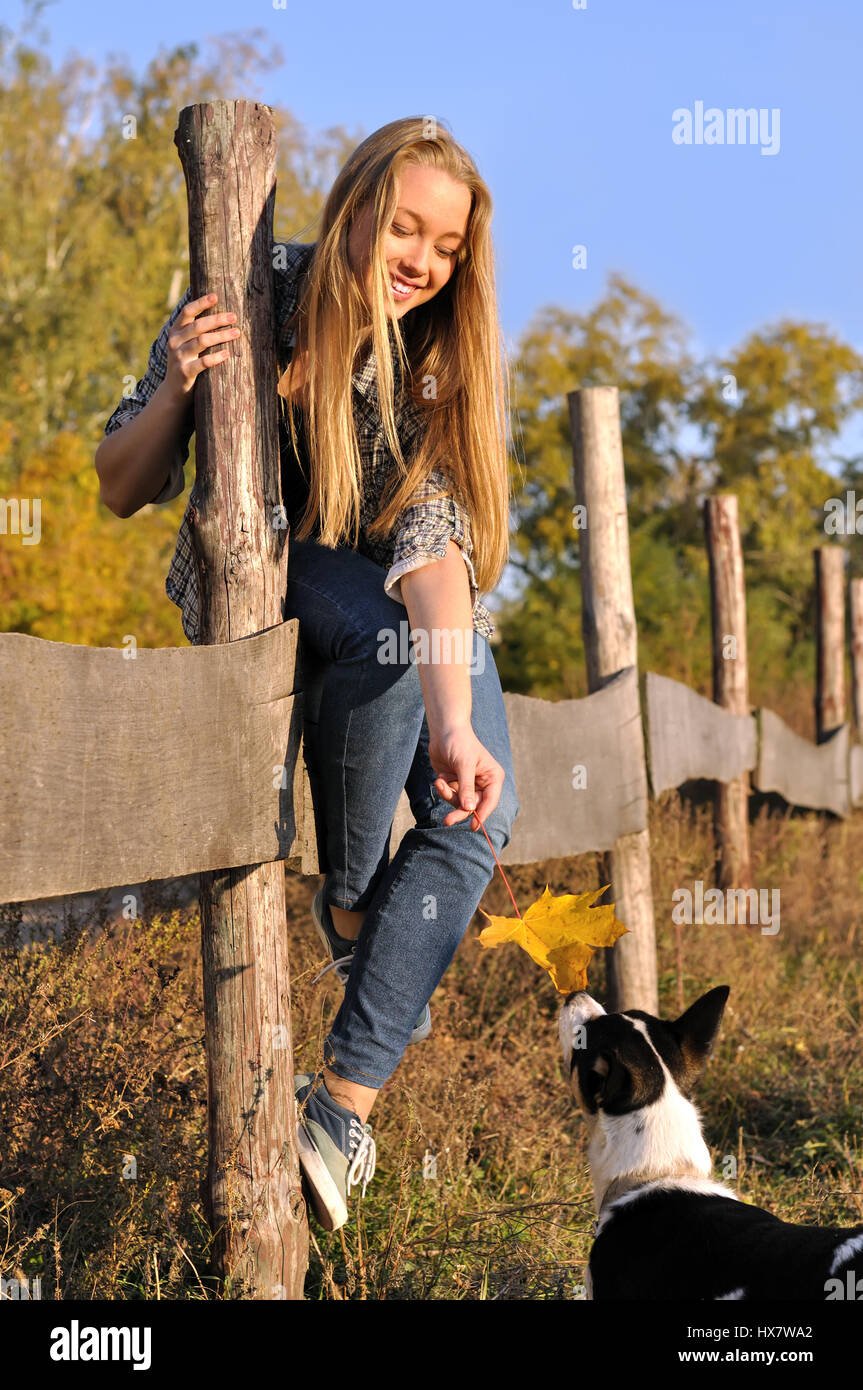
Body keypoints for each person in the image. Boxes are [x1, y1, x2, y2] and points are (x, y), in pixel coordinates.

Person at [95, 115, 520, 1232]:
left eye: (447, 246)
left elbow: (431, 555)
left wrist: (451, 732)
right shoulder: (255, 284)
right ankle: (345, 899)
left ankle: (336, 1106)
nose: (422, 257)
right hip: (276, 570)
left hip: (394, 594)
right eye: (405, 224)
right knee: (390, 643)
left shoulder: (434, 362)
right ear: (354, 208)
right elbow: (118, 482)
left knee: (482, 802)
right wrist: (183, 388)